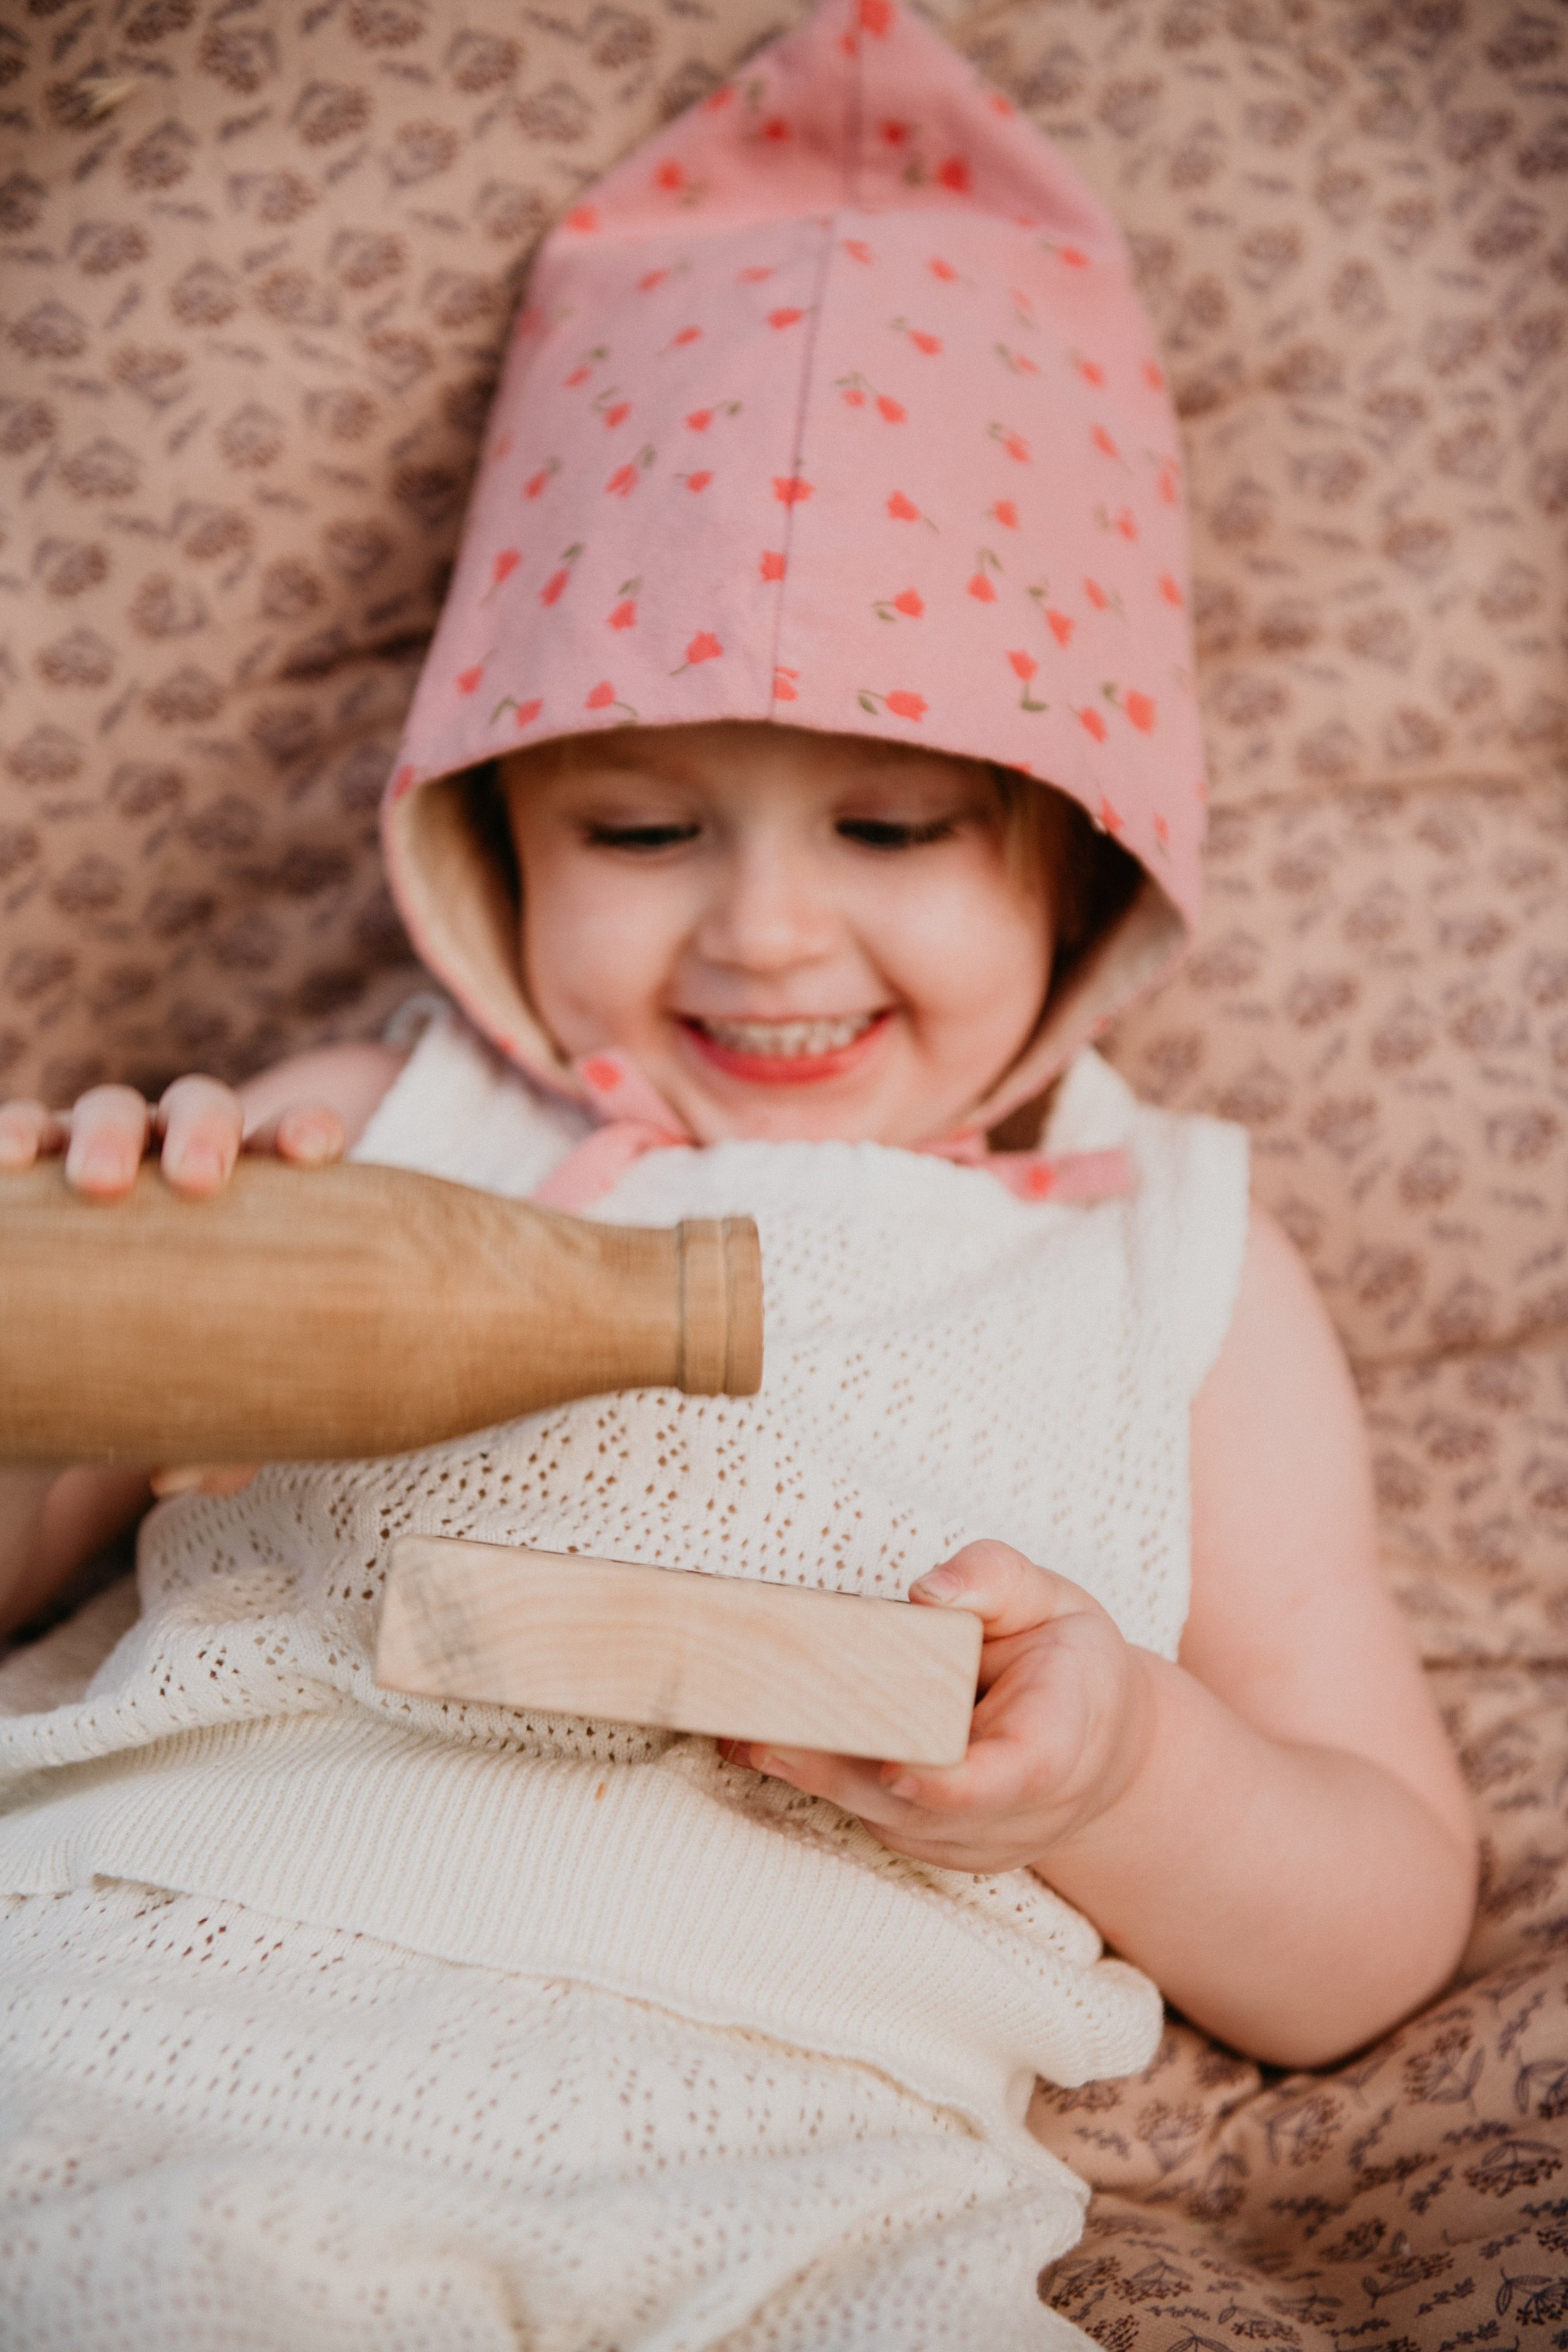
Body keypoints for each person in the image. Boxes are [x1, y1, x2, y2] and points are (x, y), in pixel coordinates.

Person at [0, 4, 1475, 2344]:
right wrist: (74, 1321)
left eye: (892, 828)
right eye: (641, 824)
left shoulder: (1177, 1257)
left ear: (1077, 873)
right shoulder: (369, 1126)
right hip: (156, 1994)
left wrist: (1127, 1774)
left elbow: (1382, 1914)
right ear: (491, 830)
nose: (767, 928)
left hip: (793, 2143)